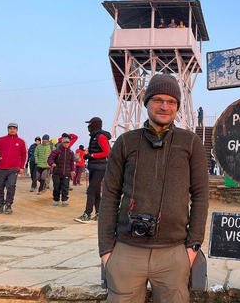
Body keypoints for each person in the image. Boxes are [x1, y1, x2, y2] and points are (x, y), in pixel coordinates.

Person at [98, 74, 209, 302]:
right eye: (158, 99)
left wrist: (192, 247)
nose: (164, 106)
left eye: (171, 102)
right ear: (146, 101)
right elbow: (109, 194)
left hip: (174, 252)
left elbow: (200, 196)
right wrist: (107, 251)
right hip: (127, 251)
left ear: (178, 106)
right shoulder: (125, 142)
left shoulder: (190, 143)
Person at [75, 117, 111, 223]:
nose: (88, 126)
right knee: (95, 192)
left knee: (91, 190)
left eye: (90, 123)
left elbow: (107, 153)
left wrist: (91, 155)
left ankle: (87, 214)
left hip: (100, 167)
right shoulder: (94, 136)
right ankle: (99, 214)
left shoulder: (101, 137)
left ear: (95, 125)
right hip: (94, 167)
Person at [0, 123, 27, 214]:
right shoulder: (1, 140)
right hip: (0, 168)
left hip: (13, 169)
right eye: (10, 128)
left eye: (14, 128)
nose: (12, 130)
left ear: (17, 130)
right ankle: (0, 206)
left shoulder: (21, 142)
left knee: (11, 186)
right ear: (7, 129)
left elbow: (23, 155)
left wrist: (21, 167)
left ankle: (8, 205)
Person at [48, 138, 75, 206]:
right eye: (65, 143)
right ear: (62, 143)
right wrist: (52, 163)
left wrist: (73, 170)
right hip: (57, 172)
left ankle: (64, 200)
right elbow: (50, 158)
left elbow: (72, 163)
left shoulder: (71, 153)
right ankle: (56, 200)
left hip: (66, 172)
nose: (66, 144)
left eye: (67, 143)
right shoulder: (57, 151)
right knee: (57, 187)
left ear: (69, 144)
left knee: (65, 187)